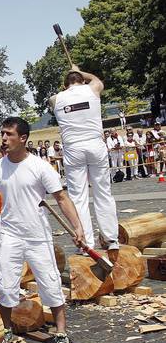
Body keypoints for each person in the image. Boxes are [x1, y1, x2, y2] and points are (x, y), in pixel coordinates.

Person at [0, 118, 83, 343]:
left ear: (23, 138)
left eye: (9, 134)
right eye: (2, 134)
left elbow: (62, 198)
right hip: (10, 235)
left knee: (51, 283)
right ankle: (6, 332)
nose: (3, 139)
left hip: (38, 236)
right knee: (5, 285)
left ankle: (61, 334)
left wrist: (78, 228)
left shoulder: (40, 166)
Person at [50, 65, 119, 255]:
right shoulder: (92, 88)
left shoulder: (56, 99)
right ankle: (111, 238)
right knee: (103, 192)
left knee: (78, 197)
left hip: (73, 148)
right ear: (81, 80)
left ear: (65, 85)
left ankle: (86, 242)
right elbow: (97, 80)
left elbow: (60, 96)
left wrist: (74, 75)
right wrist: (81, 71)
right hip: (95, 144)